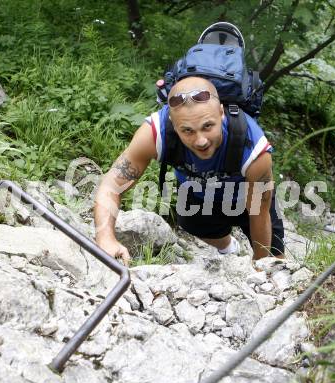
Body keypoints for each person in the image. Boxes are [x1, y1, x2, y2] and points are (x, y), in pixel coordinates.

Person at [94, 76, 284, 266]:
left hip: (245, 197)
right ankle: (229, 248)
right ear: (173, 123)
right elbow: (112, 185)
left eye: (207, 126)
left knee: (276, 264)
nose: (200, 140)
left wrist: (261, 266)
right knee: (195, 227)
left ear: (221, 113)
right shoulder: (154, 134)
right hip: (198, 196)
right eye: (187, 131)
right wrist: (105, 238)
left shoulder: (253, 149)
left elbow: (259, 212)